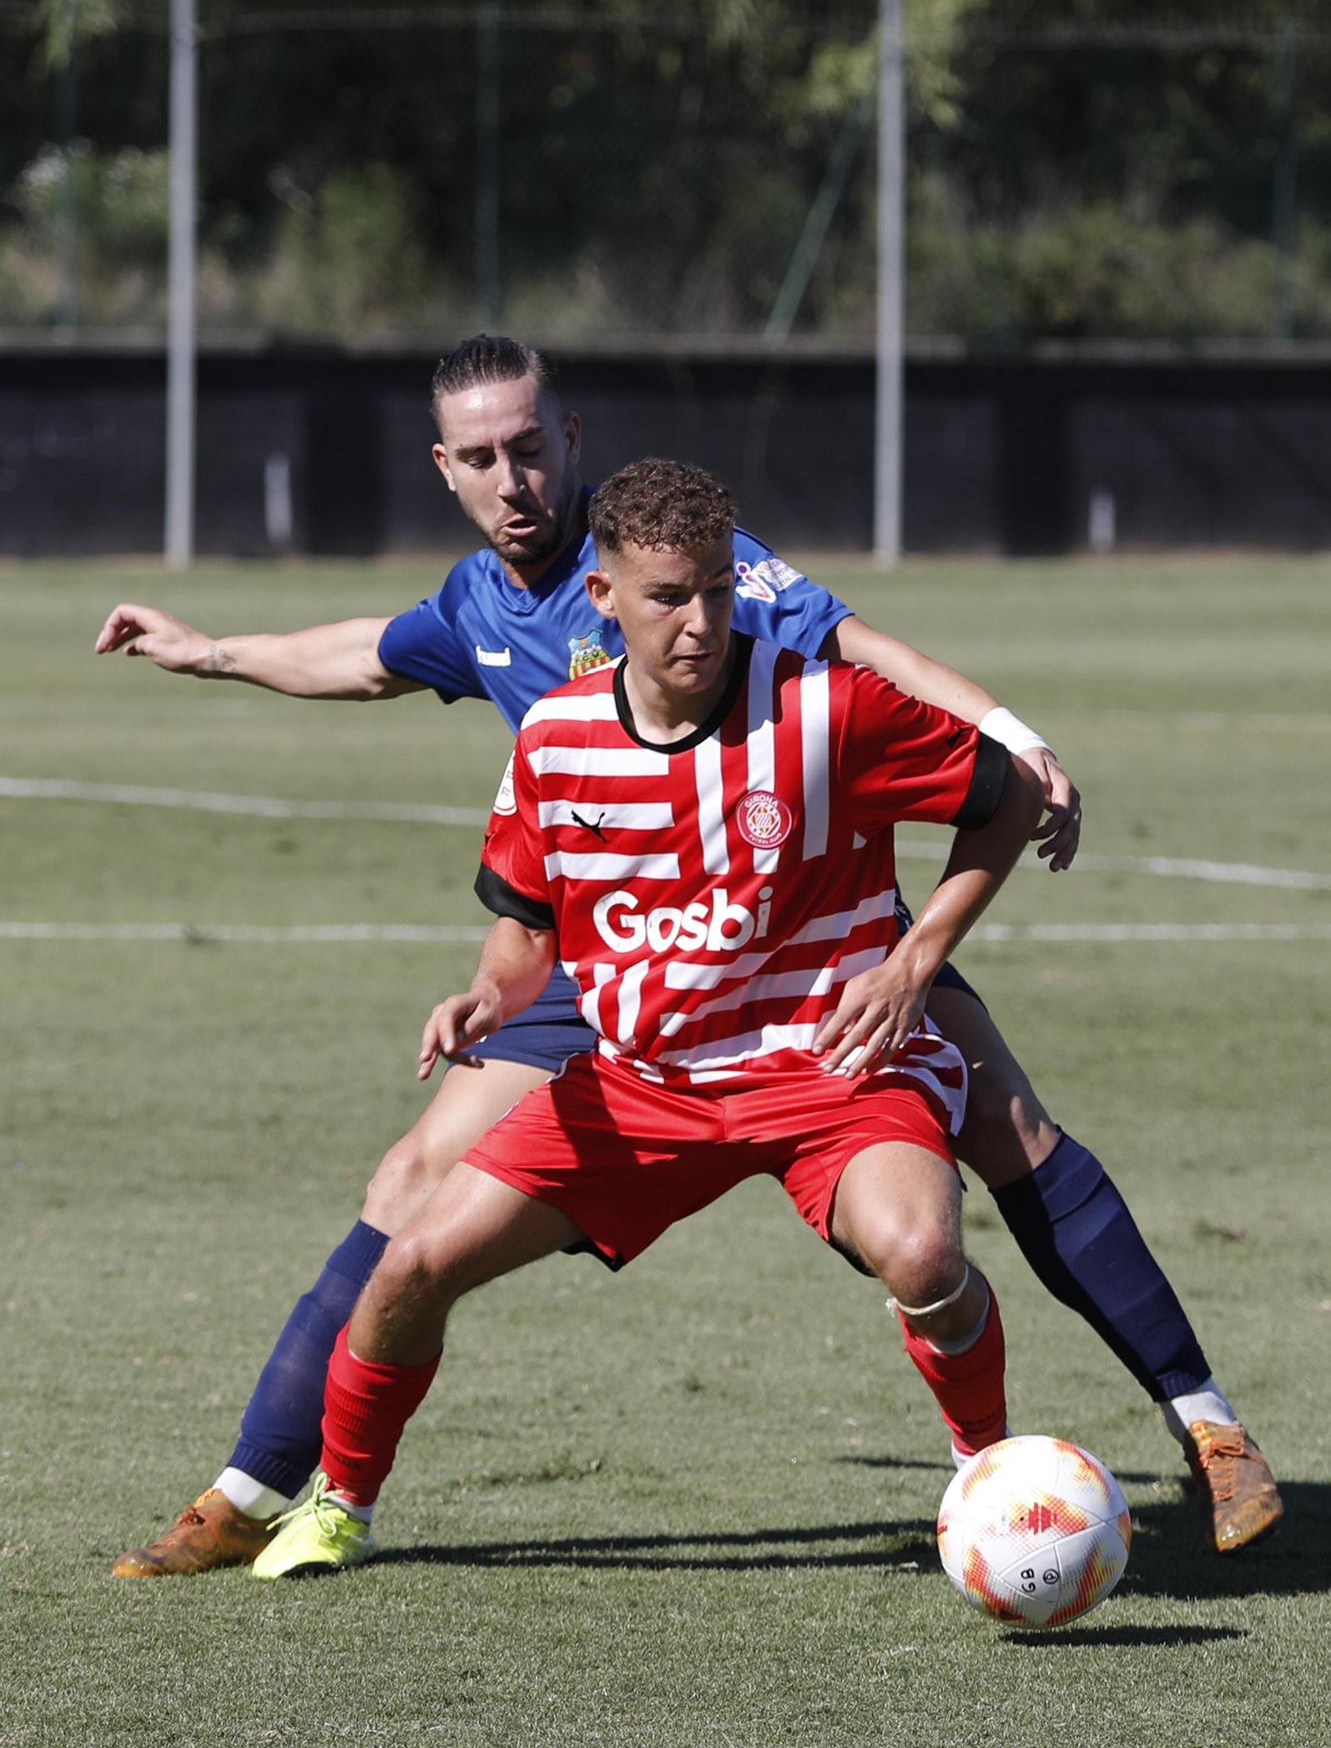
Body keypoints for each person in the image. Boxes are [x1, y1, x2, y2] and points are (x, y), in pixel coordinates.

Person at [96, 335, 1280, 1569]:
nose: (514, 482)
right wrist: (213, 650)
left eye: (531, 448)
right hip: (610, 956)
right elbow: (360, 655)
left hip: (797, 935)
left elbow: (865, 655)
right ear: (445, 467)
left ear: (571, 440)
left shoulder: (708, 577)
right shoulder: (480, 607)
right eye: (483, 458)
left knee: (1005, 1132)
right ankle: (260, 1486)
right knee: (409, 1188)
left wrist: (1009, 736)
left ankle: (1202, 1422)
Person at [251, 456, 1045, 1576]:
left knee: (920, 1251)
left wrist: (917, 958)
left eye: (718, 587)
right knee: (408, 1266)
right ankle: (341, 1501)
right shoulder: (555, 742)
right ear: (605, 598)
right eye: (670, 595)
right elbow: (526, 934)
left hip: (827, 1069)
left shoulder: (825, 706)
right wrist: (486, 994)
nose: (701, 619)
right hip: (640, 1086)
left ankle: (988, 1475)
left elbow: (1003, 796)